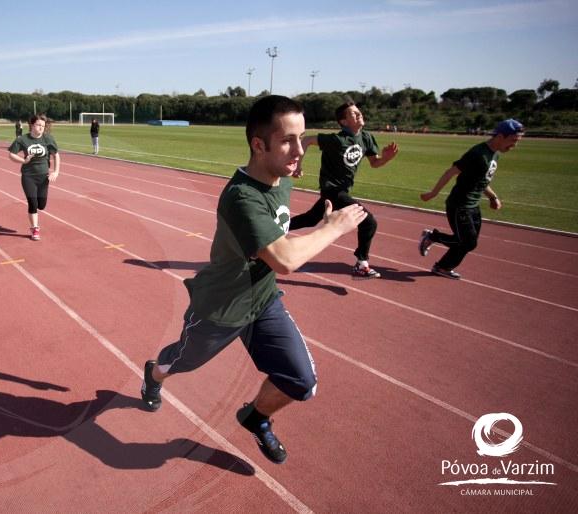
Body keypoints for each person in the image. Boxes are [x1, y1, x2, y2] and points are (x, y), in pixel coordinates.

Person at [140, 95, 367, 464]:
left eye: (302, 138)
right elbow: (285, 259)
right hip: (221, 308)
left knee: (301, 382)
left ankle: (256, 417)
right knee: (181, 362)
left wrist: (315, 222)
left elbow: (278, 226)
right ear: (258, 145)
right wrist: (334, 228)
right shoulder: (240, 197)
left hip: (261, 301)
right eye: (287, 141)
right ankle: (154, 373)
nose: (299, 150)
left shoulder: (282, 178)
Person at [287, 101, 399, 279]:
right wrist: (298, 165)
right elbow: (306, 140)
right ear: (344, 122)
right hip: (333, 189)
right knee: (368, 221)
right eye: (353, 114)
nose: (359, 115)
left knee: (310, 218)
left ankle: (275, 230)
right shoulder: (336, 140)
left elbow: (375, 163)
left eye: (359, 112)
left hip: (342, 190)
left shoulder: (366, 138)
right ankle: (361, 264)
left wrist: (386, 158)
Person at [418, 119, 524, 279]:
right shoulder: (478, 153)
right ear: (501, 136)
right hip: (459, 204)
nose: (514, 145)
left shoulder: (495, 154)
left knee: (467, 242)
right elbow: (451, 172)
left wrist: (493, 197)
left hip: (473, 205)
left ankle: (443, 267)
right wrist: (433, 193)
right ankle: (432, 237)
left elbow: (481, 181)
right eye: (513, 141)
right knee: (468, 242)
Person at [8, 115, 60, 241]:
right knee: (33, 203)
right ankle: (35, 228)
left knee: (41, 205)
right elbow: (11, 154)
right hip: (28, 176)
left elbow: (56, 155)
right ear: (32, 125)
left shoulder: (48, 139)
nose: (41, 128)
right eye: (38, 125)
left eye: (43, 126)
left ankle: (35, 220)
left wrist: (56, 172)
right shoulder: (23, 140)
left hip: (43, 177)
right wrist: (23, 160)